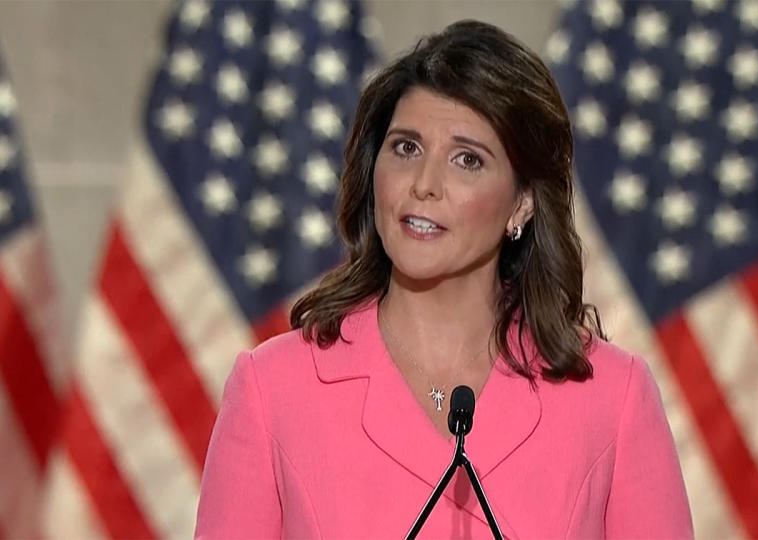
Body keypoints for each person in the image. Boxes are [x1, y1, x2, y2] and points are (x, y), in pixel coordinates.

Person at [195, 19, 692, 539]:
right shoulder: (272, 389)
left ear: (521, 201)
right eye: (406, 148)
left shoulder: (613, 399)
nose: (424, 185)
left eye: (467, 160)